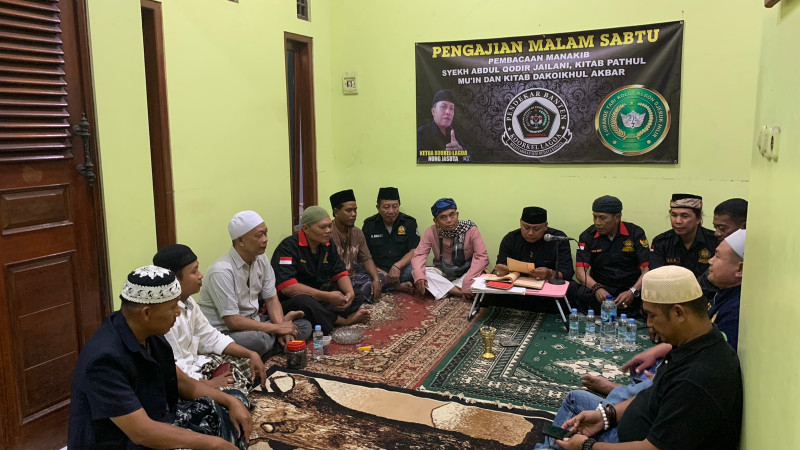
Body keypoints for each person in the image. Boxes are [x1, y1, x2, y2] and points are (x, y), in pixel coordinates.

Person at [536, 266, 743, 450]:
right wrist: (606, 416)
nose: (649, 325)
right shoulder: (696, 342)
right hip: (628, 426)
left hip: (632, 442)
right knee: (576, 399)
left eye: (652, 315)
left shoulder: (696, 380)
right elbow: (653, 394)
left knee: (569, 437)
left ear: (679, 313)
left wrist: (587, 446)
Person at [69, 266, 252, 449]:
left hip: (159, 419)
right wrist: (213, 444)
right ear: (146, 313)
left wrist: (231, 402)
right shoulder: (104, 360)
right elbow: (142, 432)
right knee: (212, 439)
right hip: (126, 442)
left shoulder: (150, 333)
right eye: (173, 307)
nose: (178, 312)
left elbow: (183, 382)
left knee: (234, 401)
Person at [196, 211, 312, 358]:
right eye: (259, 235)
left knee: (304, 326)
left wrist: (280, 327)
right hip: (224, 332)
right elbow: (233, 322)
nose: (265, 239)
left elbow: (271, 299)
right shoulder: (221, 271)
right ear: (241, 240)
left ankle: (273, 343)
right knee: (258, 341)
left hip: (253, 322)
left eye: (266, 233)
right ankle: (270, 346)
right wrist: (277, 328)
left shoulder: (261, 259)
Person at [153, 244, 267, 394]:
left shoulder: (189, 302)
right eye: (194, 271)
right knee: (232, 392)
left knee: (245, 362)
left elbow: (210, 336)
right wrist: (208, 384)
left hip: (198, 365)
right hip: (184, 381)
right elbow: (175, 369)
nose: (200, 275)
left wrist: (250, 354)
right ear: (175, 280)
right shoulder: (164, 318)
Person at [271, 205, 371, 334]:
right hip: (293, 300)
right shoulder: (288, 247)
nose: (328, 231)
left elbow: (340, 272)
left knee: (357, 295)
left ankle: (322, 317)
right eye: (323, 227)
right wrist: (327, 297)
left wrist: (349, 293)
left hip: (319, 294)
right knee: (306, 303)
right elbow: (288, 288)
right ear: (306, 229)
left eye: (330, 226)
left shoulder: (327, 243)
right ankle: (344, 321)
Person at [572, 195, 650, 316]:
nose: (597, 222)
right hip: (601, 287)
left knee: (650, 291)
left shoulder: (635, 233)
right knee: (580, 291)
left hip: (630, 287)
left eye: (602, 218)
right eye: (595, 217)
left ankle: (628, 310)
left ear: (617, 217)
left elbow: (647, 269)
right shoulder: (587, 236)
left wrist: (632, 291)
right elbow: (580, 272)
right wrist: (596, 288)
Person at [412, 198, 488, 300]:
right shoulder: (431, 231)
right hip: (443, 272)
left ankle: (446, 288)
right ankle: (458, 292)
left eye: (452, 215)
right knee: (417, 272)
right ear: (436, 221)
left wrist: (467, 281)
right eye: (443, 217)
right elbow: (420, 254)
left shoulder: (471, 229)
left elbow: (482, 257)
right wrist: (419, 275)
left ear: (457, 214)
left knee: (482, 276)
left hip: (467, 272)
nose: (449, 220)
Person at [361, 187, 419, 293]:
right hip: (377, 269)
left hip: (402, 270)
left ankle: (386, 284)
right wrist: (382, 274)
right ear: (378, 207)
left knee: (418, 271)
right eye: (386, 207)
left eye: (395, 206)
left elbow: (414, 250)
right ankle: (396, 286)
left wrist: (397, 266)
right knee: (359, 270)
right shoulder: (369, 225)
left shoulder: (409, 223)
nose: (391, 211)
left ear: (399, 205)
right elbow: (364, 256)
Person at [494, 206, 574, 282]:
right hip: (516, 286)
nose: (530, 233)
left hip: (547, 285)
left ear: (545, 226)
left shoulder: (557, 239)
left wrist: (550, 274)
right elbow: (500, 266)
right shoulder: (511, 239)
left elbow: (567, 272)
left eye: (536, 229)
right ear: (520, 223)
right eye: (526, 228)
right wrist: (500, 270)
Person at [329, 189, 382, 303]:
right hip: (335, 281)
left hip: (353, 277)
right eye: (349, 210)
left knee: (381, 278)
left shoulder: (357, 233)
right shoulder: (327, 234)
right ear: (336, 212)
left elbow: (366, 258)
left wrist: (376, 279)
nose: (354, 214)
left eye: (355, 210)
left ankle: (357, 294)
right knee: (343, 296)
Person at [650, 193, 718, 277]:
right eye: (674, 215)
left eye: (685, 216)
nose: (678, 221)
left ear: (698, 219)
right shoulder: (661, 242)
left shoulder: (715, 241)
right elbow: (656, 276)